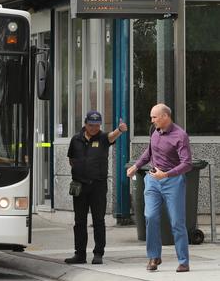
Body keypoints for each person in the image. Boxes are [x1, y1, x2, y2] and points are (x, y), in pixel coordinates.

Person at [126, 103, 192, 273]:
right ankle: (154, 256)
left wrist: (167, 174)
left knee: (177, 222)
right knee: (150, 216)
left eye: (154, 117)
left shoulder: (180, 135)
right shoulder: (154, 132)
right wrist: (136, 166)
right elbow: (149, 153)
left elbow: (187, 164)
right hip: (153, 180)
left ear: (165, 117)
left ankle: (183, 261)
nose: (152, 120)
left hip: (173, 181)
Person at [64, 111, 127, 265]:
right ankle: (80, 254)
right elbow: (72, 159)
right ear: (85, 124)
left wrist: (120, 130)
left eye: (97, 125)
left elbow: (112, 136)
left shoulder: (103, 138)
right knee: (79, 221)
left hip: (98, 186)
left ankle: (98, 254)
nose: (94, 128)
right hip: (79, 186)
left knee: (98, 220)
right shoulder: (76, 139)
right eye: (91, 125)